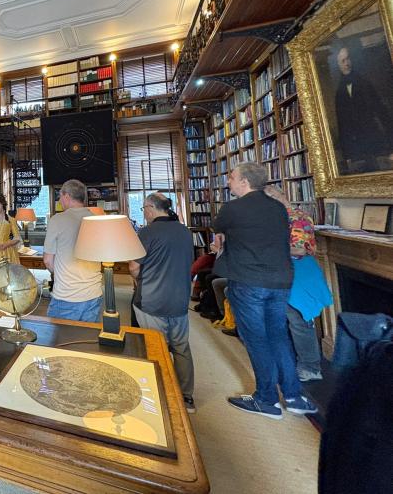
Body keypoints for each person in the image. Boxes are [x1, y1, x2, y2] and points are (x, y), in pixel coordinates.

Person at [212, 162, 317, 419]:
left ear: (245, 181)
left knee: (256, 339)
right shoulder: (278, 208)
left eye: (232, 177)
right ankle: (293, 396)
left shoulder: (232, 208)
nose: (228, 181)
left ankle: (266, 399)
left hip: (248, 281)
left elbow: (218, 230)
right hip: (280, 281)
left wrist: (222, 242)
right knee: (278, 337)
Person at [127, 194, 196, 412]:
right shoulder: (185, 231)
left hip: (152, 297)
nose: (144, 213)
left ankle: (161, 393)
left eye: (143, 209)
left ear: (151, 208)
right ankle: (186, 397)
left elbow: (133, 266)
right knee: (181, 347)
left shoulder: (147, 232)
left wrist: (138, 282)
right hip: (179, 298)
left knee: (155, 347)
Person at [265, 185, 332, 382]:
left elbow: (299, 249)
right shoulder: (277, 218)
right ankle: (293, 362)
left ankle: (311, 367)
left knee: (299, 319)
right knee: (287, 318)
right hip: (284, 273)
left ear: (279, 196)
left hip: (300, 274)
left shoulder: (298, 218)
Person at [42, 179, 102, 322]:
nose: (59, 200)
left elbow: (48, 261)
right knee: (87, 334)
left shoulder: (57, 220)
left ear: (67, 196)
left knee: (59, 335)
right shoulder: (97, 220)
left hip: (67, 295)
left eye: (60, 196)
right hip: (94, 294)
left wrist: (59, 272)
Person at [333, 43, 393, 174]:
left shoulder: (364, 83)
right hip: (356, 148)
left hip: (375, 140)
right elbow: (342, 125)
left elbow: (381, 112)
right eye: (343, 61)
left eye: (348, 59)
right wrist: (347, 155)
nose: (347, 63)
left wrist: (391, 147)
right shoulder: (339, 92)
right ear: (338, 64)